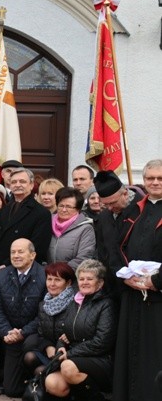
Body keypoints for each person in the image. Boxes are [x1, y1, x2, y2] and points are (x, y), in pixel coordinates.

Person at [113, 159, 162, 401]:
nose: (155, 182)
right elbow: (116, 247)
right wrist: (125, 277)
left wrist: (157, 281)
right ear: (144, 180)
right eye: (150, 178)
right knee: (131, 353)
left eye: (160, 178)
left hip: (158, 296)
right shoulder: (133, 210)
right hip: (133, 294)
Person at [45, 259, 115, 400]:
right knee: (52, 383)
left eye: (90, 279)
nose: (84, 282)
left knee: (67, 367)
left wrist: (70, 353)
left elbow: (102, 341)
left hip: (99, 359)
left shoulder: (106, 305)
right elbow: (63, 333)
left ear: (100, 283)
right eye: (81, 278)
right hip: (73, 357)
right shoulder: (74, 302)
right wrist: (61, 347)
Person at [0, 238, 46, 397]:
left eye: (20, 252)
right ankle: (24, 381)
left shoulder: (44, 275)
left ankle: (37, 377)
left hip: (35, 335)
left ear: (33, 255)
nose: (16, 255)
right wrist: (7, 332)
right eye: (13, 252)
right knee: (11, 390)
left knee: (29, 346)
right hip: (12, 336)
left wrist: (23, 332)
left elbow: (44, 313)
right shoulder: (2, 276)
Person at [0, 168, 52, 275]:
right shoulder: (1, 212)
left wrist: (6, 266)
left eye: (22, 181)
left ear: (31, 185)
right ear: (9, 186)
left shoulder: (41, 213)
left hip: (23, 272)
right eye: (14, 182)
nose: (17, 184)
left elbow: (37, 247)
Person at [92, 170, 142, 299]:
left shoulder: (144, 211)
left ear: (125, 194)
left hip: (138, 286)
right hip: (113, 287)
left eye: (112, 203)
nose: (109, 208)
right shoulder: (104, 217)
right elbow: (103, 252)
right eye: (105, 204)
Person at [22, 262, 76, 376]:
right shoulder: (44, 304)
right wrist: (48, 346)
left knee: (40, 371)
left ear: (68, 283)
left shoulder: (75, 304)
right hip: (51, 352)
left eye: (57, 280)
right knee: (29, 356)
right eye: (49, 279)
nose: (52, 284)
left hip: (69, 352)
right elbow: (41, 333)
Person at [47, 187, 95, 269]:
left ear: (78, 209)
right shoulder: (47, 222)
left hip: (71, 276)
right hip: (49, 277)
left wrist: (61, 272)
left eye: (68, 207)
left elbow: (84, 257)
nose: (64, 210)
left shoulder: (85, 228)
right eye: (61, 206)